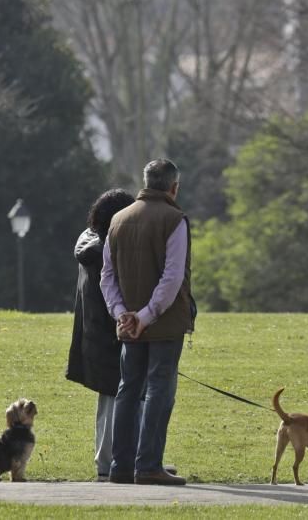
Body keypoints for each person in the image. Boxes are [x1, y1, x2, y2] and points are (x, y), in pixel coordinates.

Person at [101, 159, 196, 486]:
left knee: (128, 390)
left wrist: (122, 314)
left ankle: (121, 465)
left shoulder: (118, 219)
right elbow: (172, 279)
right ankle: (149, 465)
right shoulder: (175, 220)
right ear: (174, 187)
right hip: (164, 323)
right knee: (159, 391)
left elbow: (107, 277)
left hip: (127, 323)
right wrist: (145, 316)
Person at [66, 188, 135, 482]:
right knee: (116, 396)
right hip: (109, 332)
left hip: (93, 332)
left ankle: (111, 458)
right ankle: (112, 461)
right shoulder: (105, 249)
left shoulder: (88, 242)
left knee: (109, 399)